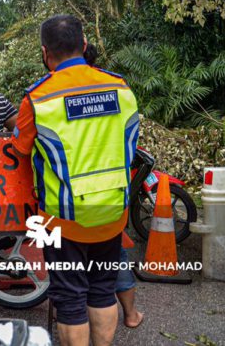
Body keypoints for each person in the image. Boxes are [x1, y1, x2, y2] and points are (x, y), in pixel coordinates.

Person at [12, 15, 139, 346]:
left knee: (69, 300)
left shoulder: (38, 98)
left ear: (45, 52)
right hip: (113, 212)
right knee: (102, 289)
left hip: (61, 220)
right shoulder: (120, 87)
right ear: (84, 45)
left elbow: (18, 149)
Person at [82, 44, 144, 330]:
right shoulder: (117, 88)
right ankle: (130, 315)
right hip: (110, 191)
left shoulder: (55, 93)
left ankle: (70, 316)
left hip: (69, 198)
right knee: (114, 257)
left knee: (70, 265)